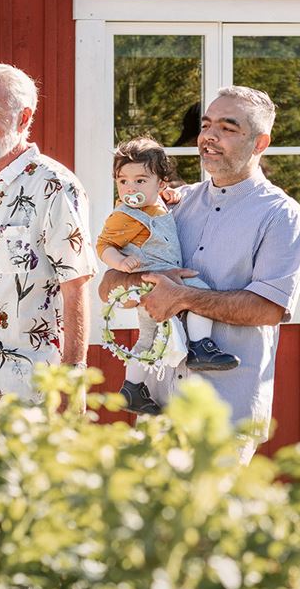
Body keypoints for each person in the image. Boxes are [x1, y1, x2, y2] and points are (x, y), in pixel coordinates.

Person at [99, 86, 300, 463]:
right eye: (207, 125)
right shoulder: (170, 207)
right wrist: (140, 281)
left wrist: (181, 296)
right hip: (158, 406)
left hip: (223, 417)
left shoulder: (282, 216)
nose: (210, 136)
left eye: (228, 128)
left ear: (260, 142)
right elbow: (109, 285)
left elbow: (268, 309)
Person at [0, 64, 98, 403]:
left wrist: (72, 387)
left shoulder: (54, 185)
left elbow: (76, 285)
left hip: (30, 390)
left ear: (24, 118)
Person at [96, 137, 240, 416]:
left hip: (162, 280)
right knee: (201, 296)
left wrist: (169, 196)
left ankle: (132, 388)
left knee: (148, 338)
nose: (130, 189)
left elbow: (159, 203)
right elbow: (103, 245)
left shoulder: (156, 202)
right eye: (123, 181)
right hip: (154, 280)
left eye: (140, 181)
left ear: (160, 184)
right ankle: (200, 347)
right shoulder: (125, 216)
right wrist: (121, 262)